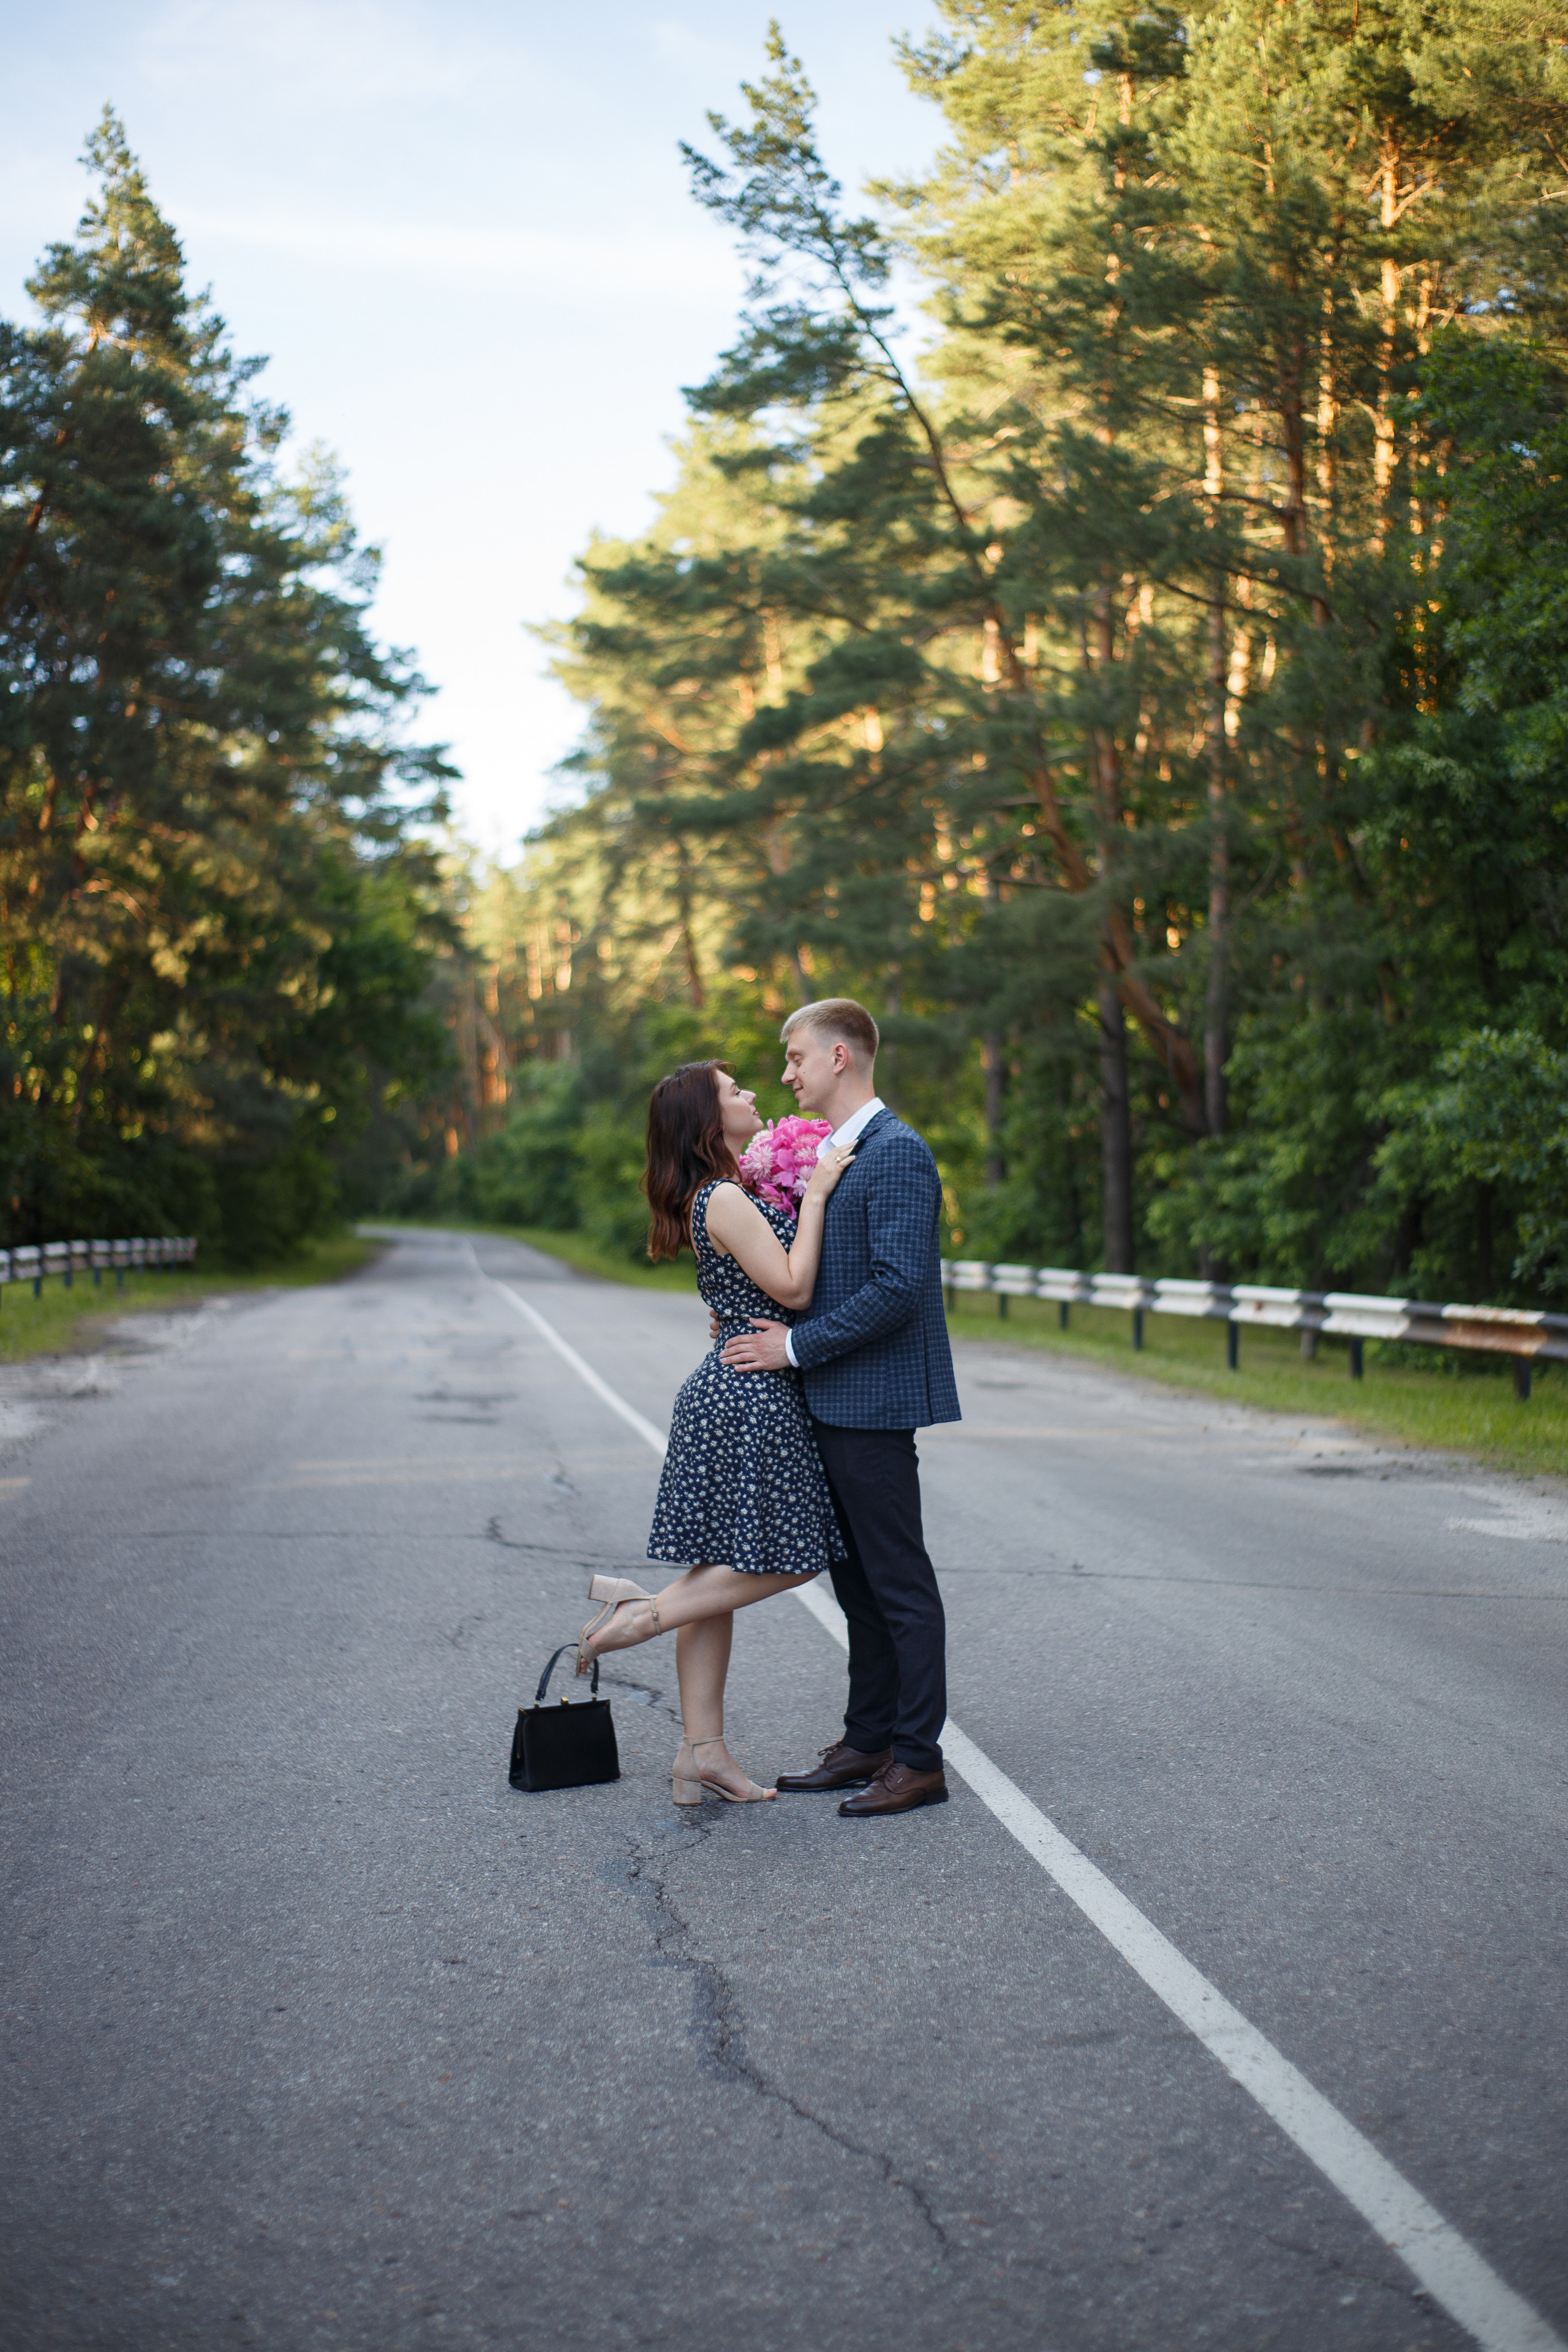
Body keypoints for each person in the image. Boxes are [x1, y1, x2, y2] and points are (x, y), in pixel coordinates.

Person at [576, 1058, 856, 1805]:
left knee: (717, 1577)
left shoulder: (724, 1195)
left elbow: (759, 1286)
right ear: (708, 1120)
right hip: (748, 1396)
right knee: (795, 1559)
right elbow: (793, 1286)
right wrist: (820, 1193)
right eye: (735, 1091)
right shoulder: (725, 1197)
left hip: (731, 1386)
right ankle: (640, 1616)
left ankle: (701, 1754)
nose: (753, 1094)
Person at [719, 998, 960, 1818]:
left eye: (794, 1057)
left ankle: (919, 1760)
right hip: (833, 1397)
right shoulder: (836, 1151)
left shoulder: (897, 1154)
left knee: (897, 1582)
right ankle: (869, 1738)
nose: (785, 1074)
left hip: (874, 1398)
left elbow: (898, 1290)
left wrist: (793, 1348)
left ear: (839, 1058)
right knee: (856, 1585)